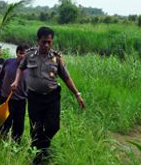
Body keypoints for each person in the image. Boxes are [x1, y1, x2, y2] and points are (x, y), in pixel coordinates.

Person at [11, 26, 86, 164]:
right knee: (36, 128)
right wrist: (16, 81)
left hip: (52, 97)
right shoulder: (29, 55)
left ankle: (43, 146)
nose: (46, 45)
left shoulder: (57, 58)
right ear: (38, 40)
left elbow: (66, 78)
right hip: (34, 98)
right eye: (44, 41)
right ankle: (37, 158)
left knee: (53, 126)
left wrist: (77, 94)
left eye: (49, 42)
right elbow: (20, 69)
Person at [0, 44, 29, 143]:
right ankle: (2, 142)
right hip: (5, 98)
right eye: (21, 53)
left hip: (20, 100)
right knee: (5, 122)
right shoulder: (8, 62)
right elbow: (0, 77)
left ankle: (15, 144)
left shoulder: (31, 67)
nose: (23, 56)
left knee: (19, 125)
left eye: (26, 54)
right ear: (17, 53)